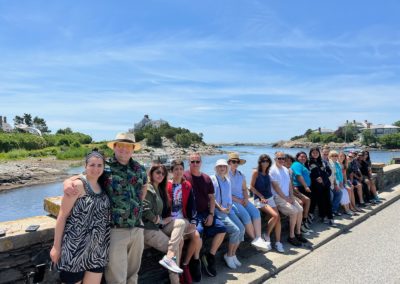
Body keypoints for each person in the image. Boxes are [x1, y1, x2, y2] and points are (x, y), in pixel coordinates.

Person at [64, 133, 147, 284]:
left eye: (128, 146)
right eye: (120, 145)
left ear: (133, 148)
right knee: (116, 278)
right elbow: (85, 177)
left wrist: (138, 205)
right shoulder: (104, 167)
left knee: (133, 274)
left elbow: (144, 186)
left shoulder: (139, 168)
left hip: (137, 228)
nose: (124, 149)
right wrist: (67, 181)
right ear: (114, 147)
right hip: (115, 230)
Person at [51, 150, 111, 284]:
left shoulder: (103, 184)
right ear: (85, 166)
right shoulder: (77, 185)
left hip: (98, 250)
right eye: (92, 165)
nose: (96, 169)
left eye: (99, 165)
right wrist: (56, 247)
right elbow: (62, 216)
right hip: (75, 248)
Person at [184, 153, 226, 278]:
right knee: (199, 233)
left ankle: (210, 256)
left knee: (222, 229)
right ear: (189, 162)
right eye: (193, 162)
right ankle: (196, 260)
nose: (195, 164)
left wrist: (212, 214)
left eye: (197, 161)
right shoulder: (184, 176)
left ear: (201, 162)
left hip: (206, 212)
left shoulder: (207, 178)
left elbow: (212, 198)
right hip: (192, 214)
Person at [142, 164, 186, 284]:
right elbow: (145, 210)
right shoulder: (148, 188)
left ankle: (169, 257)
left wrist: (166, 219)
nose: (160, 175)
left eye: (163, 173)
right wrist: (160, 220)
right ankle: (175, 280)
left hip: (157, 228)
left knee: (181, 223)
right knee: (178, 244)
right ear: (151, 173)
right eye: (158, 172)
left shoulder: (160, 189)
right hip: (148, 230)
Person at [167, 159, 202, 283]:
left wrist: (193, 221)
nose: (179, 171)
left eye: (181, 169)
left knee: (197, 237)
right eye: (176, 169)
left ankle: (185, 264)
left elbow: (192, 205)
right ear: (171, 171)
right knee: (180, 241)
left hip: (184, 220)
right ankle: (177, 270)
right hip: (171, 221)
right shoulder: (167, 186)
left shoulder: (187, 185)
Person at [228, 152, 270, 251]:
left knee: (255, 212)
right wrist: (238, 199)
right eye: (233, 161)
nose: (235, 163)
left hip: (242, 198)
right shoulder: (225, 174)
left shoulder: (240, 174)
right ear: (229, 162)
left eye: (237, 162)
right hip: (232, 200)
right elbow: (226, 193)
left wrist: (246, 198)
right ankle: (255, 239)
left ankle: (259, 238)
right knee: (246, 215)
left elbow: (244, 189)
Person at [211, 159, 245, 269]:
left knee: (242, 229)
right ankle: (229, 256)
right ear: (216, 168)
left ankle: (233, 254)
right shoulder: (213, 179)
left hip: (228, 210)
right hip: (218, 211)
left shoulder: (228, 180)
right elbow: (211, 197)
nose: (222, 168)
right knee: (235, 230)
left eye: (224, 166)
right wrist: (221, 207)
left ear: (226, 168)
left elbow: (229, 197)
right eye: (220, 166)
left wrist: (229, 206)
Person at [269, 151, 307, 247]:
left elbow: (290, 185)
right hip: (278, 197)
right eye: (279, 158)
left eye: (283, 158)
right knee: (293, 211)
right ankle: (291, 236)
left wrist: (291, 197)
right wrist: (286, 198)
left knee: (300, 209)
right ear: (275, 159)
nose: (282, 160)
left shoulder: (285, 170)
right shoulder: (272, 170)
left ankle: (298, 233)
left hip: (287, 196)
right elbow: (276, 188)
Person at [250, 154, 284, 253]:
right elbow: (251, 187)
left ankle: (278, 242)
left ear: (269, 162)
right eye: (263, 161)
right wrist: (261, 196)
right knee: (275, 215)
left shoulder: (268, 172)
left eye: (267, 161)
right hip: (260, 200)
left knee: (278, 219)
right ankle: (267, 235)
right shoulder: (256, 172)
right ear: (260, 162)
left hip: (270, 198)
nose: (265, 163)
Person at [308, 147, 334, 225]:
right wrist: (316, 178)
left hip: (325, 184)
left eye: (317, 152)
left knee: (328, 201)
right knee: (321, 201)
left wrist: (323, 177)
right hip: (316, 186)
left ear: (319, 153)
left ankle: (330, 217)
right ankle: (323, 216)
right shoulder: (309, 162)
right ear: (311, 154)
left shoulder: (323, 162)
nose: (315, 154)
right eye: (313, 153)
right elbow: (310, 174)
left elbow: (329, 171)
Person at [290, 152, 314, 232]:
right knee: (304, 202)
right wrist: (305, 186)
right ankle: (302, 222)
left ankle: (304, 219)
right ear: (297, 157)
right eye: (302, 156)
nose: (304, 158)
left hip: (303, 187)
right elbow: (298, 176)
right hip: (300, 187)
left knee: (307, 201)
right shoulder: (296, 164)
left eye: (305, 157)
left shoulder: (302, 165)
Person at [328, 151, 353, 216]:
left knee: (345, 192)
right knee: (342, 193)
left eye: (335, 156)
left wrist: (342, 182)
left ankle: (347, 209)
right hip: (334, 183)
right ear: (329, 157)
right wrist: (338, 183)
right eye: (332, 156)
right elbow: (333, 175)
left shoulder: (336, 164)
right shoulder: (330, 164)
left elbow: (341, 175)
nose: (334, 157)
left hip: (339, 182)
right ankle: (346, 210)